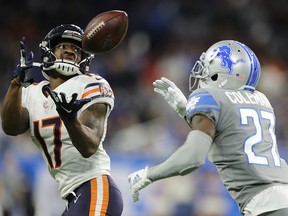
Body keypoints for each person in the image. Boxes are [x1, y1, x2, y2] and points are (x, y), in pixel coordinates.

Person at [128, 40, 288, 216]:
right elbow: (228, 134)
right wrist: (186, 111)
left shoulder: (209, 96)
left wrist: (149, 175)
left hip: (266, 207)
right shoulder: (262, 100)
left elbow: (193, 158)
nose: (202, 73)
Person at [1, 24, 123, 216]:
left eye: (76, 48)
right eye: (62, 45)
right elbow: (10, 127)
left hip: (94, 185)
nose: (69, 50)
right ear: (49, 50)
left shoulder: (91, 83)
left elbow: (89, 147)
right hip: (73, 196)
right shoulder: (32, 92)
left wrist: (70, 118)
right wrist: (15, 84)